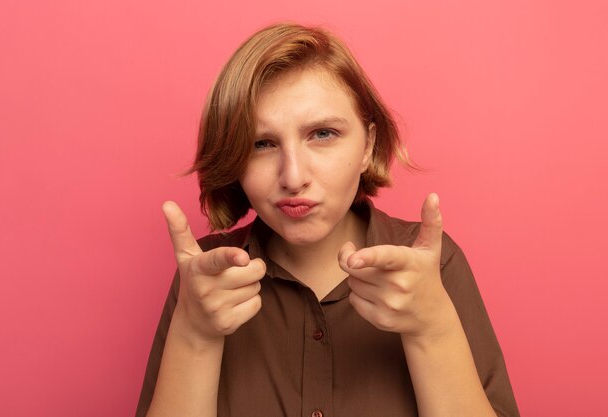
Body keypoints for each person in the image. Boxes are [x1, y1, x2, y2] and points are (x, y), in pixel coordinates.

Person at [136, 23, 519, 417]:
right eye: (261, 144)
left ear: (368, 145)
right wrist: (194, 334)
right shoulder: (203, 279)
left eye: (322, 134)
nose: (293, 176)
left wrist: (434, 329)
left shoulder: (433, 265)